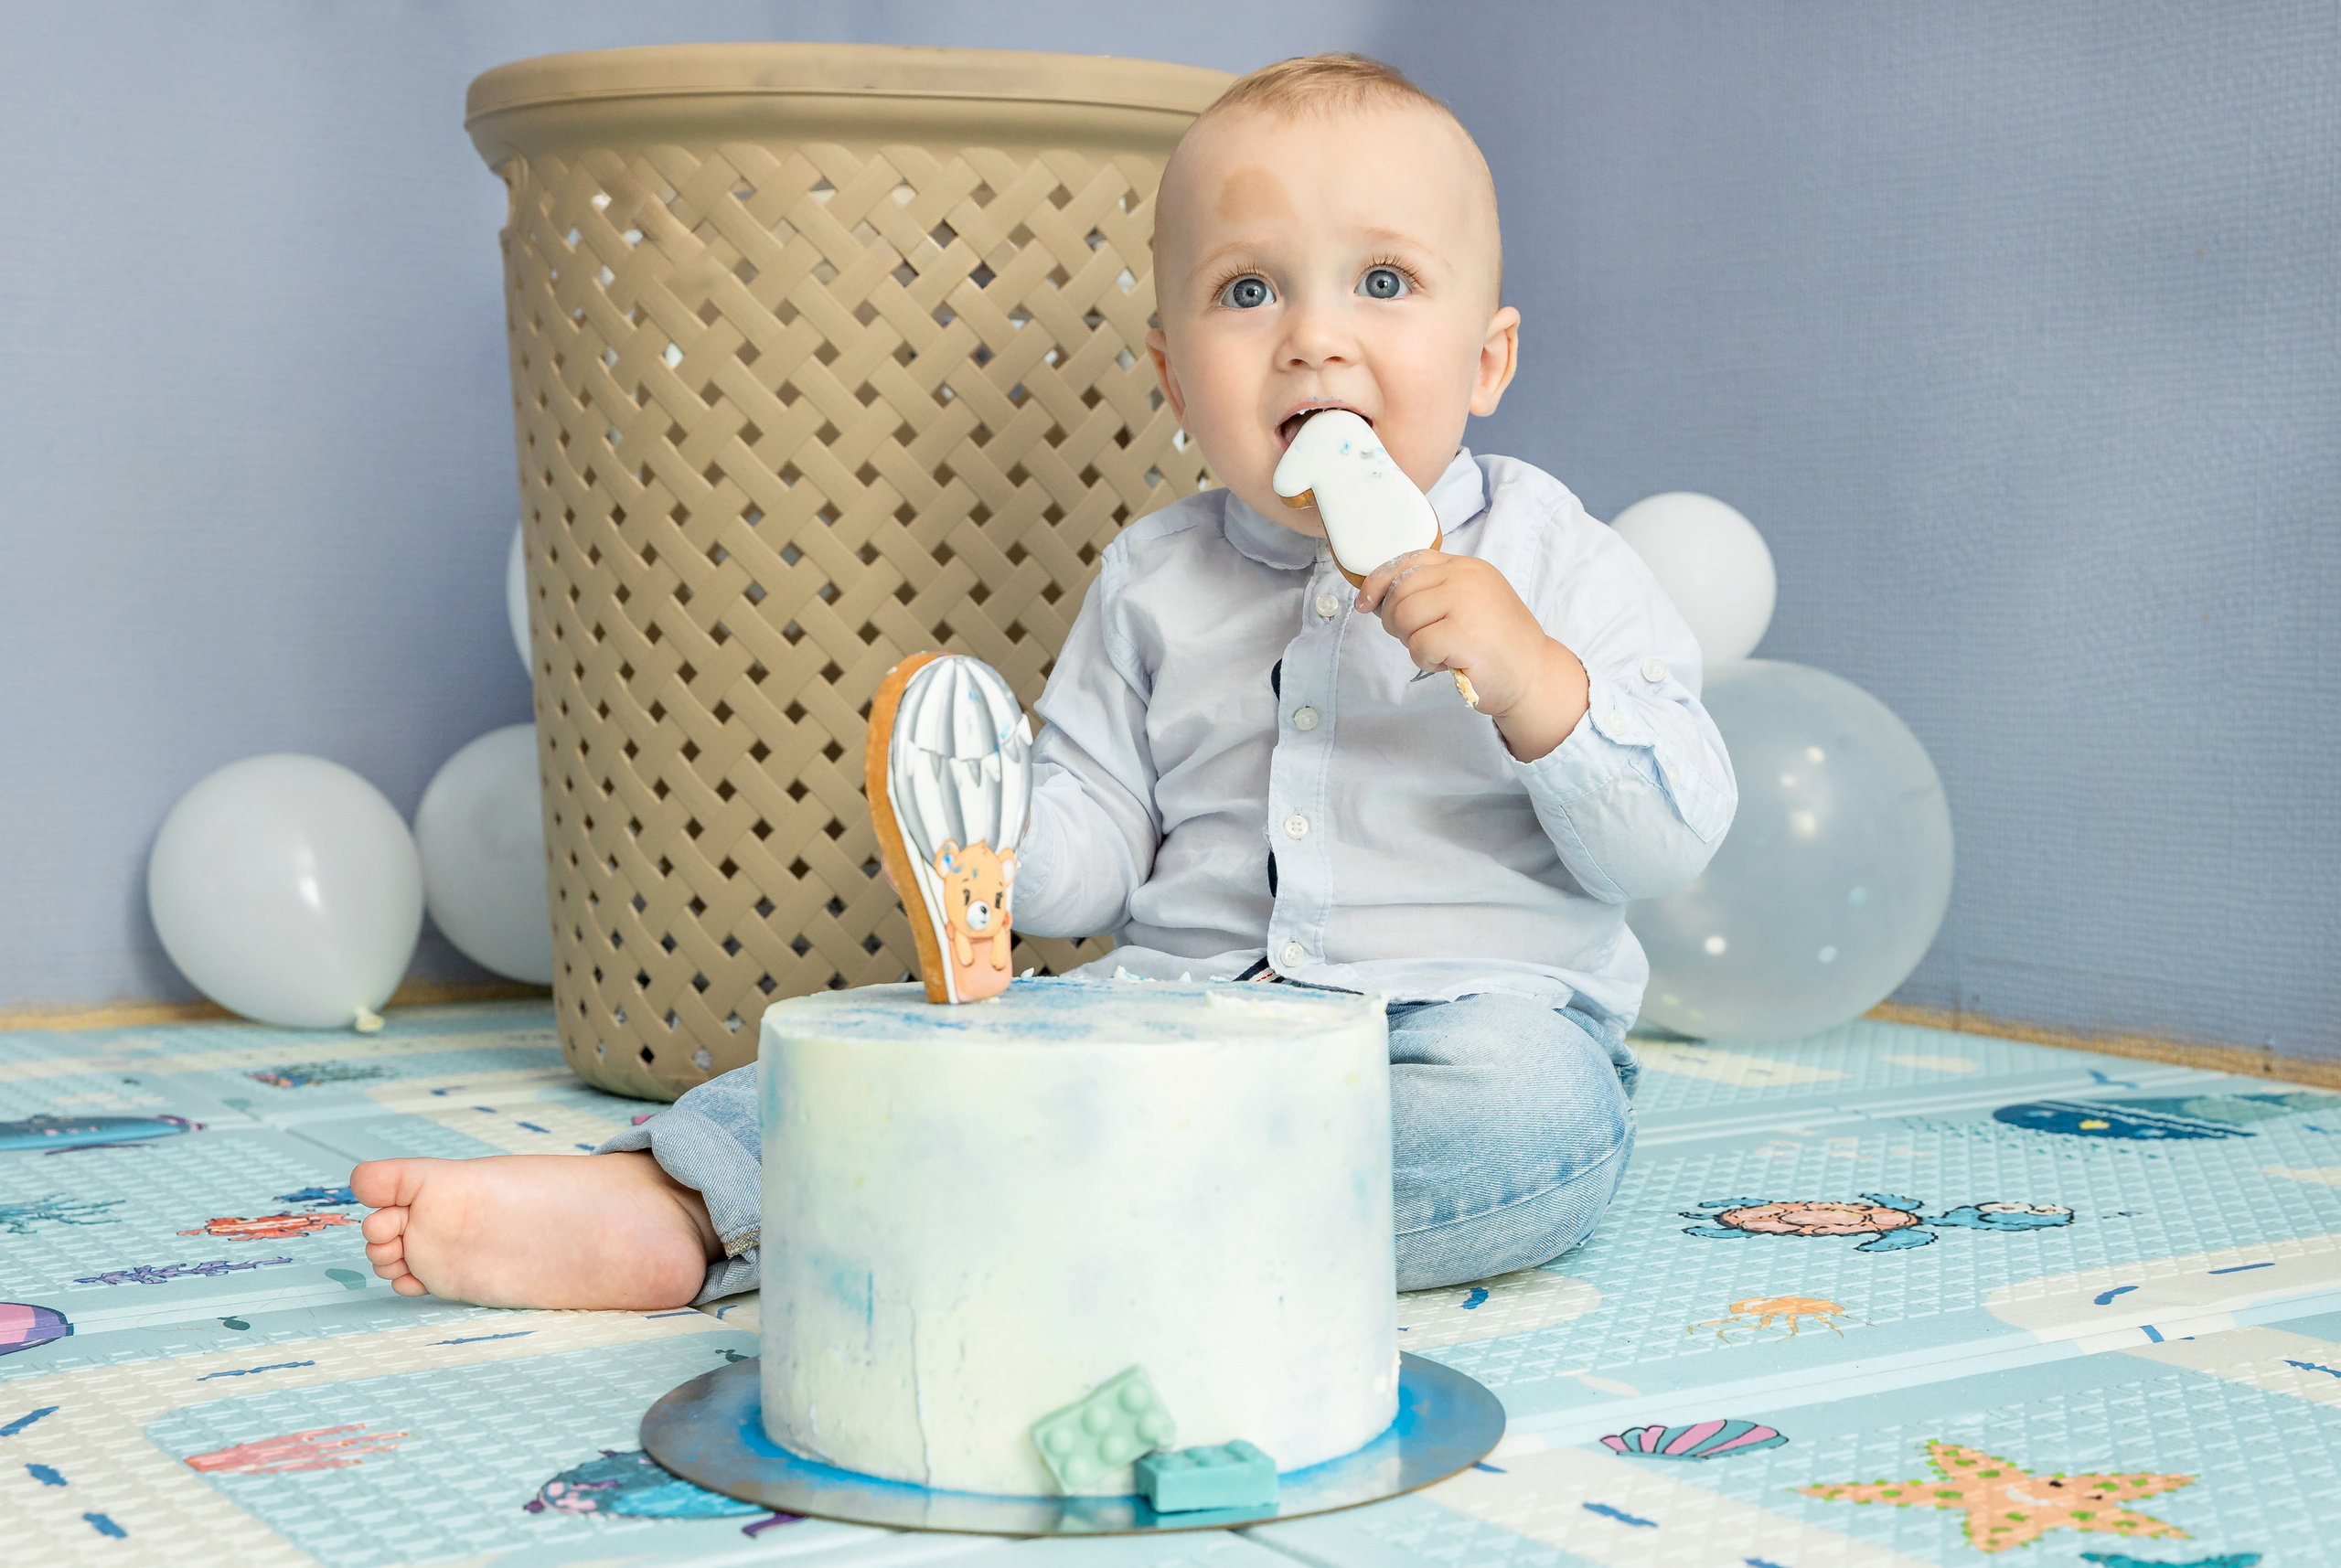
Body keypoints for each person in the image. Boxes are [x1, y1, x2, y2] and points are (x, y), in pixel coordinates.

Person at [352, 52, 1736, 1311]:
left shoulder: (1552, 555)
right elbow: (1097, 850)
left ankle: (1011, 1219)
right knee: (888, 1042)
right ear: (1172, 379)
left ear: (1486, 359)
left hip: (1462, 1027)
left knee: (1529, 1126)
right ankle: (679, 1196)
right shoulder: (1157, 577)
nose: (1314, 337)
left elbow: (1666, 838)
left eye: (1382, 283)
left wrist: (1538, 683)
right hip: (1177, 1015)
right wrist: (996, 833)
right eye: (1248, 292)